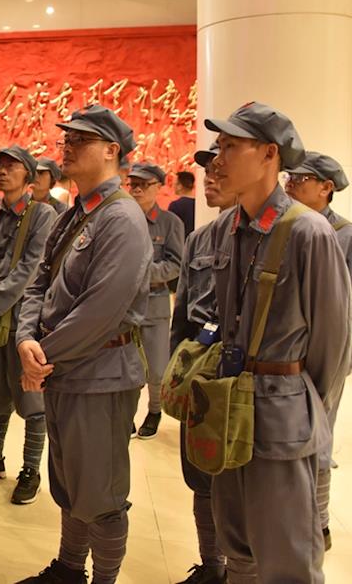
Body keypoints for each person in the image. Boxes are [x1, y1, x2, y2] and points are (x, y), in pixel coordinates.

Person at [206, 101, 349, 583]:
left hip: (282, 420)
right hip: (230, 410)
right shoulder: (226, 229)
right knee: (237, 547)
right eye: (218, 146)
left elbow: (333, 344)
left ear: (270, 154)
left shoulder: (309, 232)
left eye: (231, 146)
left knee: (288, 558)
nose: (218, 159)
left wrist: (303, 405)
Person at [14, 104, 151, 584]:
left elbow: (101, 311)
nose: (67, 147)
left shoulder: (122, 218)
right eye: (66, 139)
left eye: (80, 140)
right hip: (65, 371)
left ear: (111, 150)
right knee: (69, 481)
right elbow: (37, 283)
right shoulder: (75, 214)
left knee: (101, 493)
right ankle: (69, 569)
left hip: (100, 374)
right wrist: (25, 338)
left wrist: (41, 356)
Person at [0, 145, 58, 505]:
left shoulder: (42, 215)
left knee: (31, 397)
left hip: (24, 320)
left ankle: (31, 469)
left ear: (28, 176)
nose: (1, 172)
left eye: (10, 166)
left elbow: (31, 268)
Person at [168, 142, 231, 584]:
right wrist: (178, 372)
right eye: (207, 170)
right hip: (201, 379)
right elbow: (183, 315)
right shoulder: (199, 239)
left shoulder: (284, 236)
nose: (211, 177)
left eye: (220, 168)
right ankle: (212, 566)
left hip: (243, 383)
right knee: (201, 479)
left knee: (240, 485)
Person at [283, 150, 352, 553]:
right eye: (290, 177)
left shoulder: (344, 235)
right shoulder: (287, 227)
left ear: (326, 187)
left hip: (327, 352)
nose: (291, 184)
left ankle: (319, 521)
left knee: (319, 434)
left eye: (301, 179)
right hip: (286, 355)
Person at [127, 161, 184, 439]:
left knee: (156, 369)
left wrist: (140, 274)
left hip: (154, 306)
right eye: (133, 184)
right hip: (123, 308)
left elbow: (175, 264)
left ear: (158, 187)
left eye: (143, 185)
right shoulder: (122, 219)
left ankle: (155, 410)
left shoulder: (170, 223)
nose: (136, 190)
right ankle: (126, 414)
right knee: (126, 367)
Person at [169, 171, 196, 237]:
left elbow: (171, 231)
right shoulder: (200, 205)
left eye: (174, 184)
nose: (173, 186)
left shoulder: (175, 206)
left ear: (180, 186)